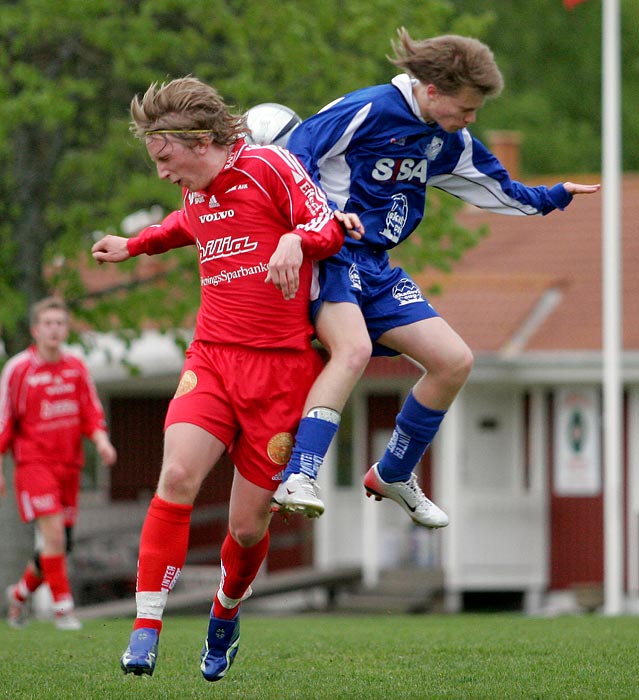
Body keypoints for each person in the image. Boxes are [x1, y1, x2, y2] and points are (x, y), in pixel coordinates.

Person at [271, 28, 600, 526]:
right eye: (465, 109)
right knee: (354, 351)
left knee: (453, 361)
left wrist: (554, 195)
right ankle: (301, 473)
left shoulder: (448, 139)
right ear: (431, 90)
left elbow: (497, 188)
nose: (470, 120)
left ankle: (393, 472)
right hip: (331, 254)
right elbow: (293, 157)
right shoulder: (369, 109)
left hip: (376, 265)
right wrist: (319, 218)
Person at [91, 76, 357, 682]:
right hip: (211, 358)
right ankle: (146, 626)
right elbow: (183, 226)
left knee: (245, 525)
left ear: (202, 140)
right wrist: (133, 245)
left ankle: (225, 613)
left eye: (165, 159)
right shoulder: (198, 192)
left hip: (281, 373)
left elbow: (328, 226)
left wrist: (294, 239)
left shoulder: (268, 166)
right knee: (178, 474)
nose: (163, 173)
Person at [0, 296, 117, 630]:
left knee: (59, 544)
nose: (54, 329)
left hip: (70, 466)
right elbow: (4, 421)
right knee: (52, 536)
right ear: (36, 330)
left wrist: (103, 442)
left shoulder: (76, 367)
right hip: (34, 464)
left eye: (60, 323)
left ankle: (19, 595)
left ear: (66, 328)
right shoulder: (18, 369)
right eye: (48, 323)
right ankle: (64, 610)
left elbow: (91, 412)